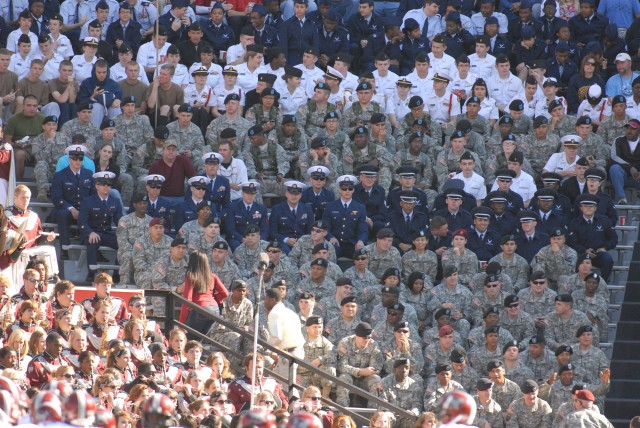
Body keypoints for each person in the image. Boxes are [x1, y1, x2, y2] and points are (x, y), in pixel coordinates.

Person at [79, 171, 123, 282]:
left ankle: (117, 273)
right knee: (92, 241)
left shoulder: (115, 201)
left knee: (123, 243)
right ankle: (91, 273)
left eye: (108, 184)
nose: (106, 187)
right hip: (92, 232)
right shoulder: (88, 201)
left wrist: (124, 232)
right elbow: (82, 222)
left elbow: (119, 221)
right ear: (97, 185)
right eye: (103, 184)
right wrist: (90, 232)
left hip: (107, 233)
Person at [178, 250, 229, 336]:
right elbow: (225, 293)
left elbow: (187, 300)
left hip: (200, 309)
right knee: (200, 340)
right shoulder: (212, 276)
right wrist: (213, 298)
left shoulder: (191, 276)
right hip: (215, 310)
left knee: (190, 340)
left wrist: (181, 323)